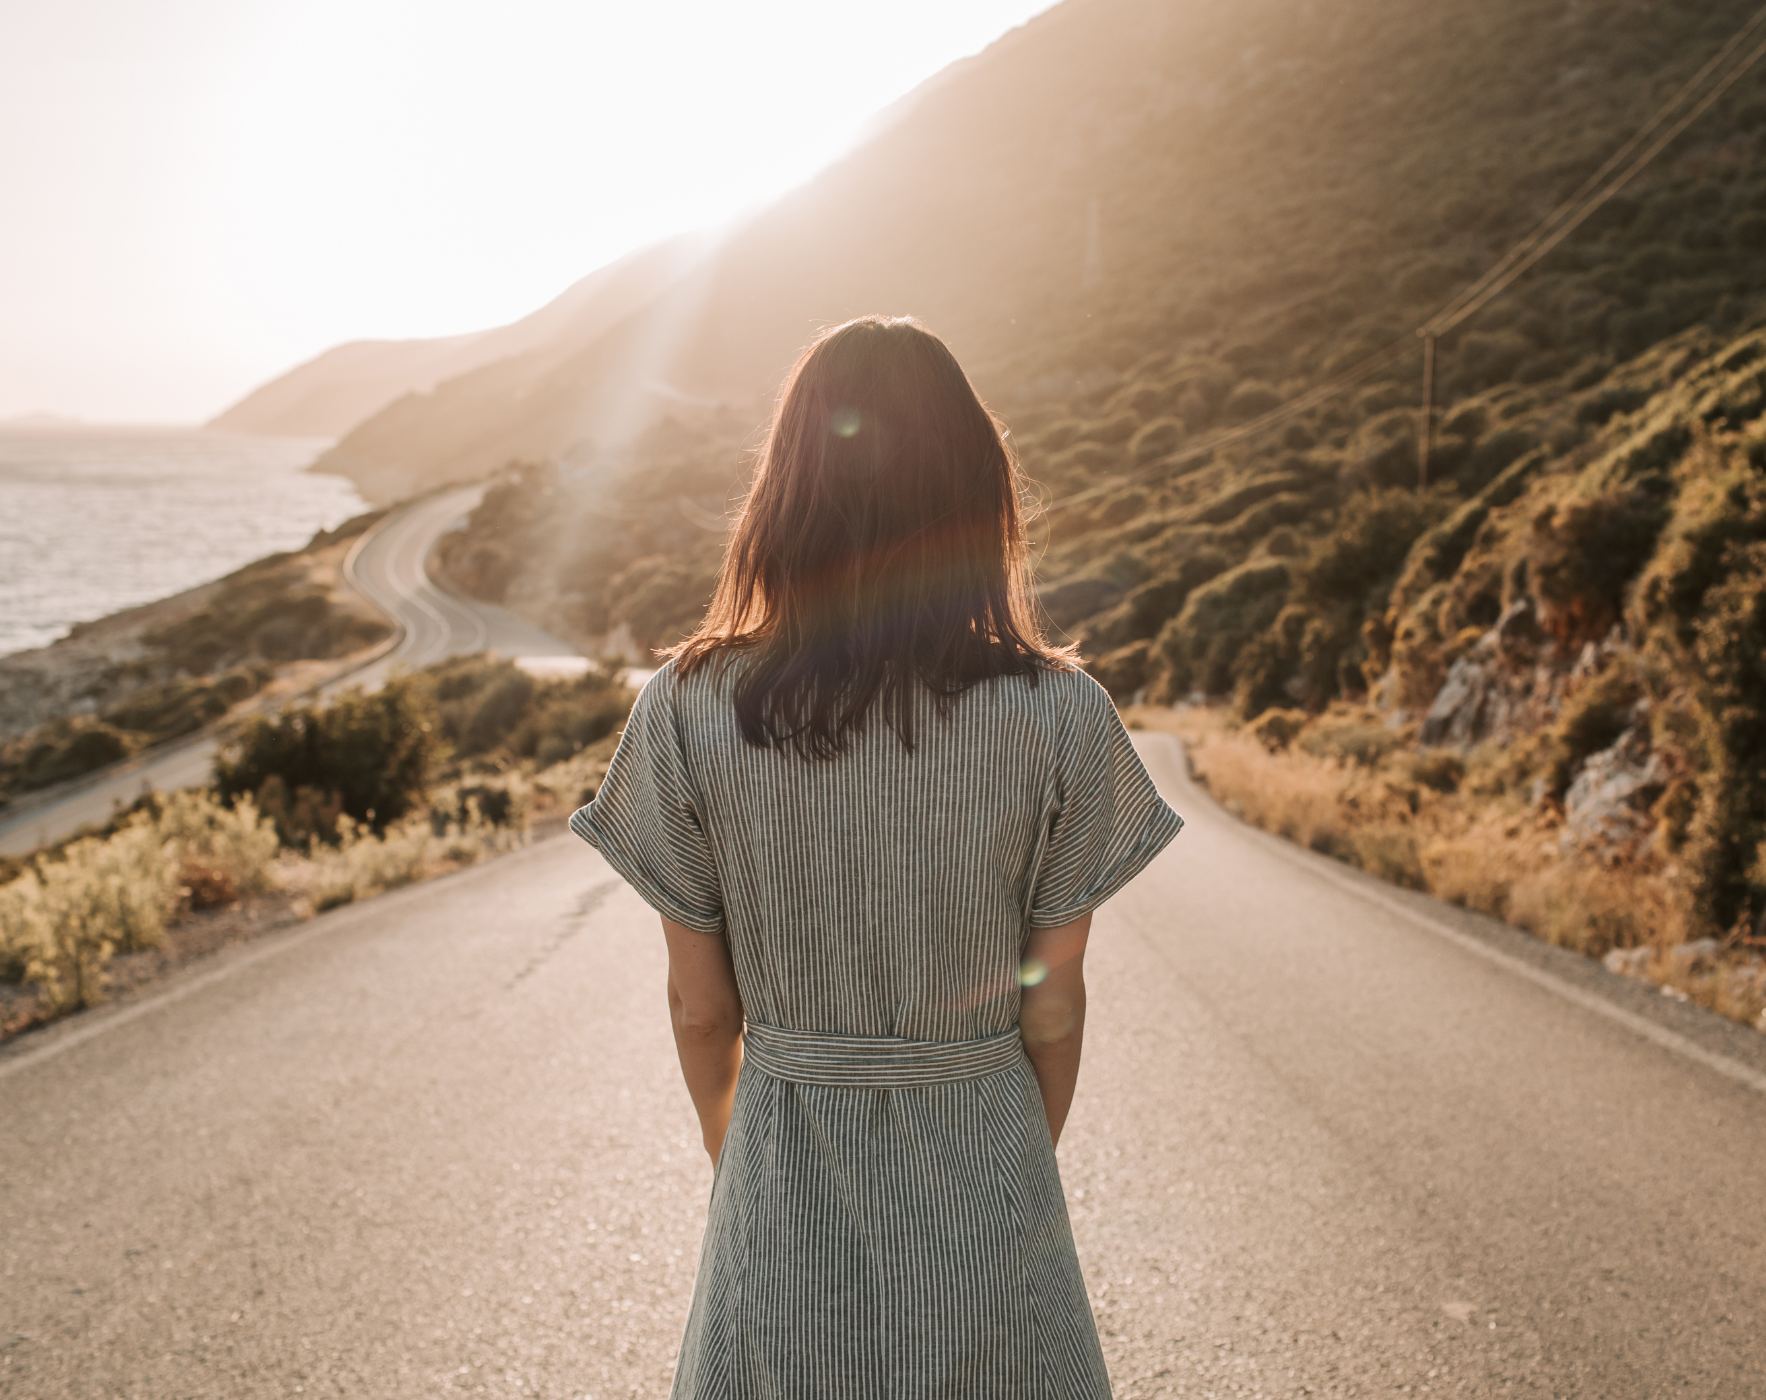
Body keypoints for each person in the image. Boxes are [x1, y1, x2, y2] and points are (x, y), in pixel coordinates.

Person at [571, 315, 1182, 1398]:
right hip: (987, 1165)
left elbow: (701, 1011)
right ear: (975, 493)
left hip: (778, 1164)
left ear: (784, 490)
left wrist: (752, 1167)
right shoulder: (1061, 712)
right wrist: (996, 1163)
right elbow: (1051, 1003)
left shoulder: (682, 708)